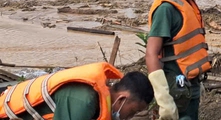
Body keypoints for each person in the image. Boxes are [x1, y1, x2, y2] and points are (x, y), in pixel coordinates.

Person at [146, 0, 212, 120]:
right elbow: (151, 53)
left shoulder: (188, 3)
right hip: (175, 84)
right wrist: (163, 98)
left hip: (190, 84)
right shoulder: (166, 9)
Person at [0, 62, 153, 120]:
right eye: (132, 112)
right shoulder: (84, 101)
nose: (129, 118)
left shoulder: (99, 100)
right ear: (121, 99)